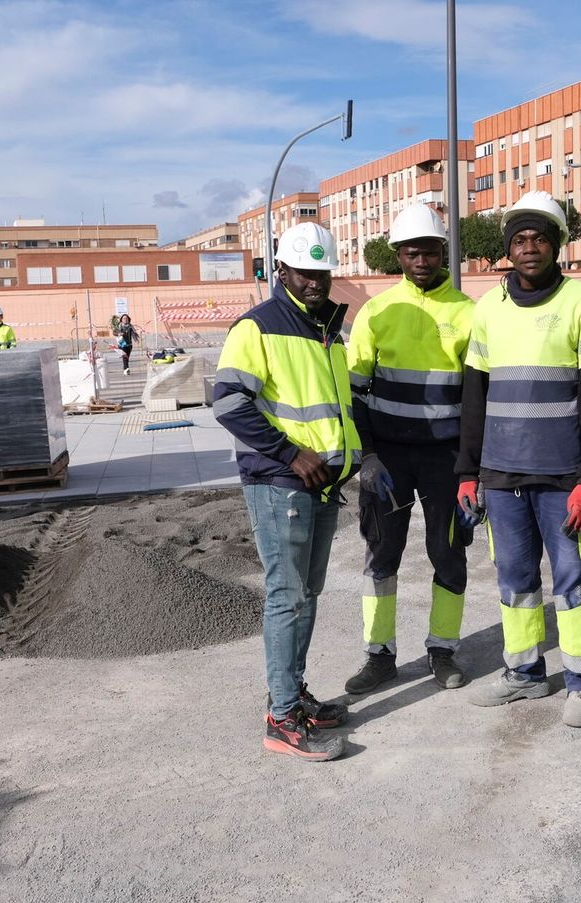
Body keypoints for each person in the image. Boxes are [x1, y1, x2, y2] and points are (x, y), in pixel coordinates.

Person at [457, 190, 581, 727]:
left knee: (571, 578)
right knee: (514, 579)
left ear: (556, 246)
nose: (530, 248)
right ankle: (524, 675)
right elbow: (474, 397)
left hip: (563, 478)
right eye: (520, 240)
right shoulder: (489, 310)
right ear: (508, 248)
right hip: (501, 477)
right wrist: (467, 471)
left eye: (540, 239)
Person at [212, 221, 361, 761]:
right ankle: (280, 716)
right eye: (304, 273)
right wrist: (289, 454)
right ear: (283, 270)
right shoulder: (258, 327)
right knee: (286, 595)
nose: (315, 282)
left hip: (320, 486)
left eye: (322, 272)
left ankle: (294, 695)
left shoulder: (324, 330)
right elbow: (228, 403)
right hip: (282, 485)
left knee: (306, 595)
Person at [343, 203, 476, 695]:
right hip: (389, 460)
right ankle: (379, 656)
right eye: (412, 252)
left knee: (449, 553)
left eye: (430, 251)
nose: (421, 260)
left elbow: (476, 400)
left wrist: (471, 468)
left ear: (444, 252)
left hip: (446, 460)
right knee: (382, 554)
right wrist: (367, 456)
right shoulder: (377, 312)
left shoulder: (468, 313)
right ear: (398, 256)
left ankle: (443, 650)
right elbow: (353, 394)